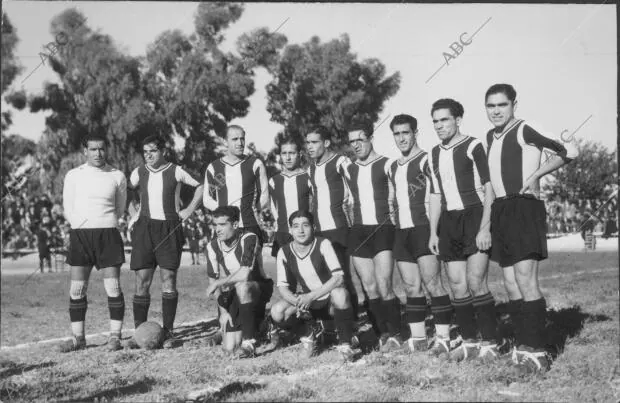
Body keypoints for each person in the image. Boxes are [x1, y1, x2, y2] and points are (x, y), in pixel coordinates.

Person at [484, 84, 578, 373]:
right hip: (501, 210)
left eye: (502, 104)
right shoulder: (490, 135)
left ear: (514, 104)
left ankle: (538, 350)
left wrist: (537, 172)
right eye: (491, 106)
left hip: (524, 208)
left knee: (525, 280)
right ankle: (522, 343)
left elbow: (571, 149)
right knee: (510, 283)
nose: (497, 111)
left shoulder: (525, 129)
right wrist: (486, 222)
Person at [427, 98, 499, 361]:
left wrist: (485, 227)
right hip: (448, 222)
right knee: (457, 285)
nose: (439, 125)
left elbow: (490, 188)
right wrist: (434, 232)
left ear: (457, 120)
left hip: (474, 216)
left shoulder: (473, 146)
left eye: (444, 119)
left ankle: (490, 342)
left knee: (476, 281)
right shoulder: (433, 153)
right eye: (435, 121)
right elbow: (435, 194)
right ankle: (469, 342)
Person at [127, 135, 204, 349]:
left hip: (170, 227)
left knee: (168, 278)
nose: (148, 155)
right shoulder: (139, 172)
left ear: (163, 151)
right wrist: (133, 213)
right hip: (145, 228)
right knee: (142, 281)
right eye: (145, 152)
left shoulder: (176, 170)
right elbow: (126, 190)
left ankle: (168, 332)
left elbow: (201, 186)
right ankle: (139, 333)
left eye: (153, 151)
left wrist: (188, 210)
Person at [388, 114, 453, 353]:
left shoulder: (427, 159)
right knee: (410, 286)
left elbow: (439, 193)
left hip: (424, 229)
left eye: (406, 132)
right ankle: (418, 338)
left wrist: (435, 230)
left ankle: (444, 337)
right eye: (397, 133)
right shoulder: (393, 166)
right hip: (401, 232)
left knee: (433, 284)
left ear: (415, 133)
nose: (402, 138)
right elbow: (393, 196)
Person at [57, 134, 127, 352]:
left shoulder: (117, 175)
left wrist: (105, 222)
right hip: (81, 235)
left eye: (102, 149)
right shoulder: (73, 175)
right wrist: (80, 224)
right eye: (93, 149)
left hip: (108, 234)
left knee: (113, 287)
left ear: (107, 150)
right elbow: (68, 207)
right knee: (77, 289)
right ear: (84, 151)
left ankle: (115, 337)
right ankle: (79, 339)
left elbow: (120, 207)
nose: (98, 153)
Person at [268, 210, 358, 361]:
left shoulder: (323, 244)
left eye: (305, 225)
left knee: (340, 294)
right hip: (308, 304)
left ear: (313, 227)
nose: (301, 230)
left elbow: (338, 278)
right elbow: (282, 287)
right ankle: (309, 333)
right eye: (296, 226)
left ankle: (345, 344)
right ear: (290, 230)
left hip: (328, 300)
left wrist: (310, 296)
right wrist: (297, 302)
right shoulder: (284, 251)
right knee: (277, 312)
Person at [343, 122, 401, 352]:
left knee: (384, 283)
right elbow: (347, 202)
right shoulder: (348, 169)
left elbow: (398, 198)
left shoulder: (387, 164)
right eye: (352, 141)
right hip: (359, 231)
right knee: (368, 286)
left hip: (383, 229)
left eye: (361, 139)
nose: (356, 145)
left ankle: (396, 333)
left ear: (370, 138)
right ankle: (382, 333)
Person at [305, 126, 363, 321]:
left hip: (340, 228)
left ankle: (352, 321)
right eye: (308, 143)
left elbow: (357, 185)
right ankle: (332, 320)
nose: (310, 147)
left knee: (344, 276)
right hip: (319, 230)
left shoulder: (341, 161)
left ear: (326, 143)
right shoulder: (311, 169)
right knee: (325, 277)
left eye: (314, 142)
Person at [205, 206, 274, 358]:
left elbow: (244, 273)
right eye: (215, 225)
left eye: (222, 225)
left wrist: (218, 283)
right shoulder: (212, 246)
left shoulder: (249, 238)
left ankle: (249, 342)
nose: (218, 229)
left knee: (243, 286)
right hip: (234, 292)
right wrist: (223, 312)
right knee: (230, 347)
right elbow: (212, 280)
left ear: (235, 225)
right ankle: (262, 326)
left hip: (257, 287)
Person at [203, 125, 269, 249]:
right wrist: (225, 213)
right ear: (225, 141)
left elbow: (264, 195)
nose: (240, 143)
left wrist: (252, 209)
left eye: (242, 139)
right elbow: (207, 199)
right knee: (225, 267)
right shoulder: (214, 167)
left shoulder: (255, 164)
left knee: (253, 267)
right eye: (235, 139)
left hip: (250, 225)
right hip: (225, 228)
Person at [268, 135, 312, 258]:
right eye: (284, 153)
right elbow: (273, 207)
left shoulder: (309, 178)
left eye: (292, 153)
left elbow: (315, 206)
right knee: (282, 275)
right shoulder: (273, 181)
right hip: (282, 235)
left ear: (300, 154)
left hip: (304, 234)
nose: (287, 157)